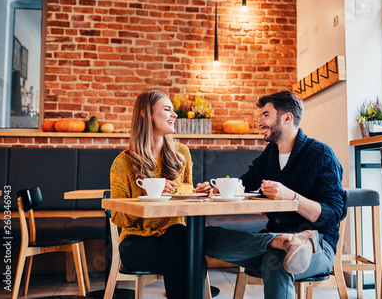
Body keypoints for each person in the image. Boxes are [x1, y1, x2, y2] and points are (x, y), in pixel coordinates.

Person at [204, 91, 345, 299]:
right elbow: (244, 184)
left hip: (317, 245)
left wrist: (292, 198)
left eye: (266, 115)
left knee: (277, 260)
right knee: (203, 238)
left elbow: (332, 214)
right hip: (271, 238)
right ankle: (281, 241)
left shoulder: (320, 155)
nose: (260, 121)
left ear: (287, 118)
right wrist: (215, 188)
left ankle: (286, 244)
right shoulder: (269, 155)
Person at [110, 90, 211, 298]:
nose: (174, 114)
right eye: (167, 109)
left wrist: (197, 192)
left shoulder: (181, 153)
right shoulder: (124, 162)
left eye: (173, 110)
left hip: (174, 234)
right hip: (137, 241)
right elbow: (118, 217)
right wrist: (148, 195)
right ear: (145, 114)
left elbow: (187, 193)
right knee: (189, 256)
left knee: (180, 237)